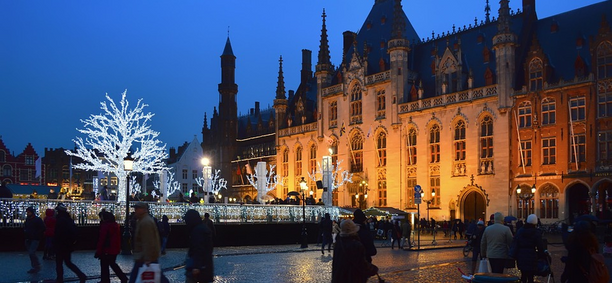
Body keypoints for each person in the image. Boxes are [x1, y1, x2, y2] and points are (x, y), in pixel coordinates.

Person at [128, 202, 167, 283]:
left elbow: (148, 241)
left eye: (137, 209)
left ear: (143, 210)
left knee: (135, 278)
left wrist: (148, 258)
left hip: (143, 257)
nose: (135, 210)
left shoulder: (145, 222)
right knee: (158, 276)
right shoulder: (144, 220)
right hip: (145, 256)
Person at [54, 203, 87, 283]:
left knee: (59, 263)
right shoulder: (68, 219)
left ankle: (60, 279)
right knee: (68, 262)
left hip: (61, 244)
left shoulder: (60, 220)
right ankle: (81, 275)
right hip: (67, 244)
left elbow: (59, 233)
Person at [95, 211, 128, 283]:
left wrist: (98, 250)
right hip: (114, 248)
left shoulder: (105, 226)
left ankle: (105, 280)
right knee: (112, 263)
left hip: (106, 249)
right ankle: (122, 277)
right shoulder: (115, 225)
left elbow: (102, 239)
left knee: (104, 265)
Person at [512, 214, 545, 283]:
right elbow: (540, 246)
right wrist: (541, 255)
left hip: (521, 254)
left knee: (523, 274)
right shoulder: (536, 232)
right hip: (532, 255)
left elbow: (516, 242)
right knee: (530, 276)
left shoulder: (520, 231)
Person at [183, 209, 214, 283]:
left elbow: (198, 249)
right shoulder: (202, 228)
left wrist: (197, 266)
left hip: (199, 267)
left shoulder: (197, 231)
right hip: (205, 266)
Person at [24, 206, 45, 273]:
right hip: (29, 237)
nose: (27, 213)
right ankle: (35, 266)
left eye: (28, 212)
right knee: (31, 253)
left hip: (34, 238)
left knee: (31, 252)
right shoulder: (29, 219)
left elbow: (43, 228)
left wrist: (37, 234)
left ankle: (36, 265)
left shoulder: (36, 220)